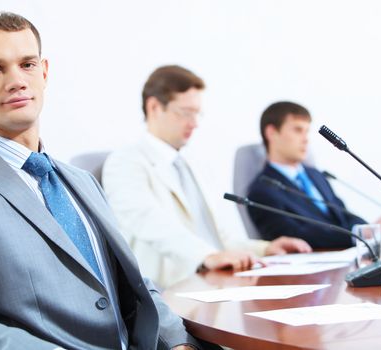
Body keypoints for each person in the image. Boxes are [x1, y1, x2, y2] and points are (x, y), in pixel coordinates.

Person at [0, 12, 208, 350]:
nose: (17, 80)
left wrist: (179, 342)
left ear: (44, 72)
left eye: (27, 64)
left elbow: (134, 284)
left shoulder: (81, 181)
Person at [102, 66, 311, 289]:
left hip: (215, 283)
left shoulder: (195, 165)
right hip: (168, 291)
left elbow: (218, 238)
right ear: (154, 107)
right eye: (185, 112)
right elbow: (149, 222)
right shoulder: (125, 162)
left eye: (197, 113)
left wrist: (264, 249)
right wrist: (207, 256)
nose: (195, 123)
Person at [247, 101, 367, 248]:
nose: (305, 139)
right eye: (298, 130)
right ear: (271, 132)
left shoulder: (316, 175)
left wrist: (368, 230)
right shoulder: (262, 191)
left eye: (306, 131)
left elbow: (344, 215)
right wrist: (358, 236)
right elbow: (298, 236)